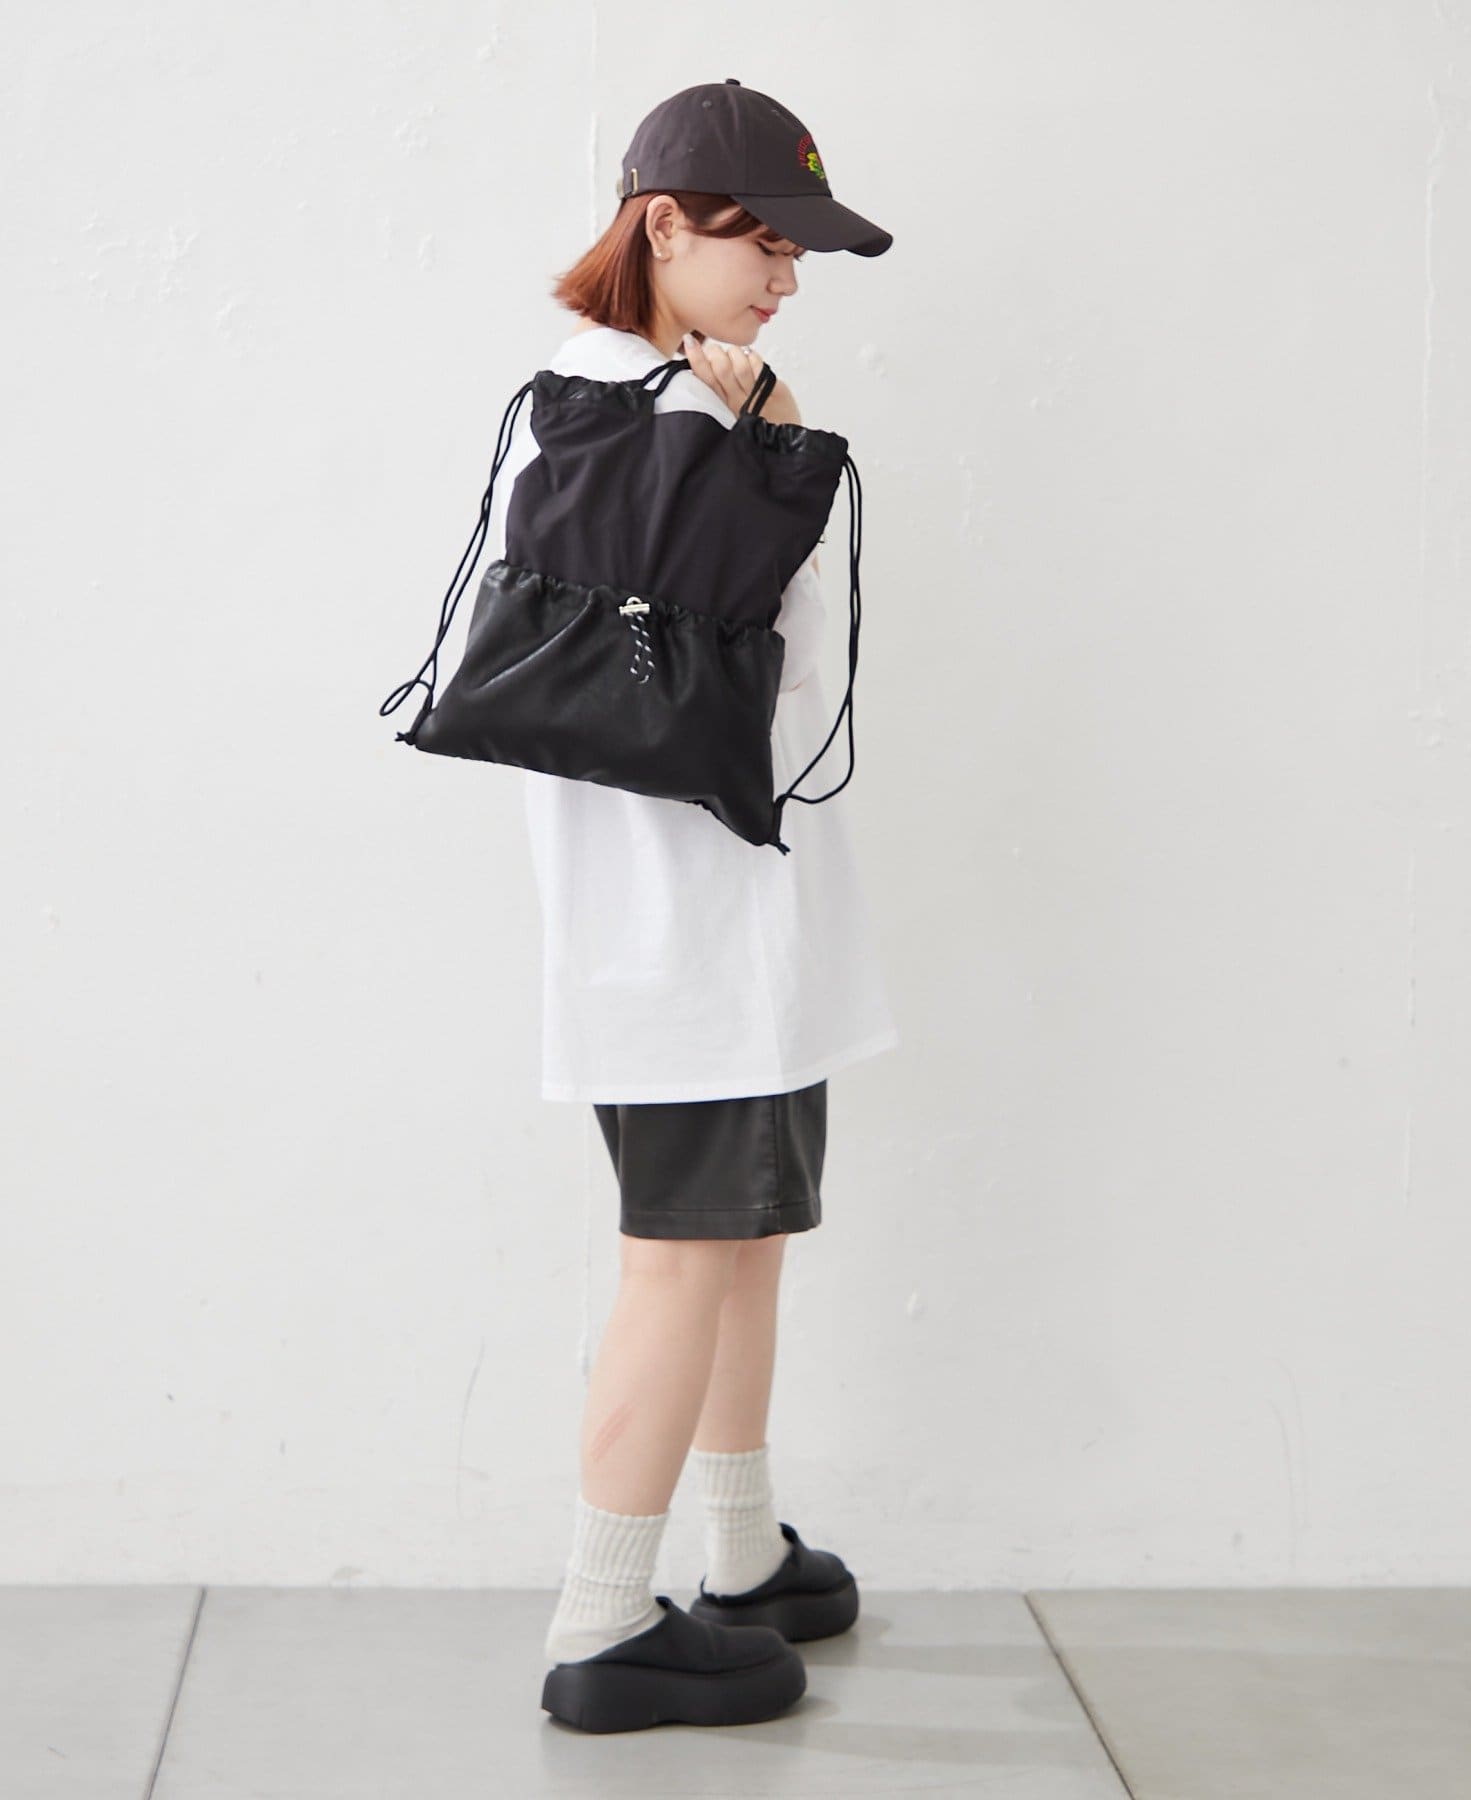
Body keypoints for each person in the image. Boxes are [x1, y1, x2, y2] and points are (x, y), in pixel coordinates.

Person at [519, 80, 899, 1733]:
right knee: (680, 1260)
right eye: (767, 244)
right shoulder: (616, 409)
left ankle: (740, 1554)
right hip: (678, 935)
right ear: (663, 226)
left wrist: (751, 436)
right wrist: (752, 452)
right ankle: (604, 1621)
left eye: (804, 253)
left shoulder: (663, 397)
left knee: (742, 1243)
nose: (789, 279)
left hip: (735, 923)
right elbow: (718, 689)